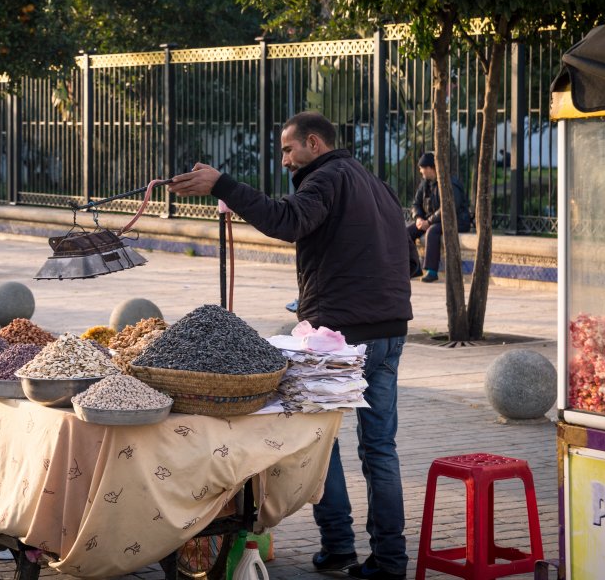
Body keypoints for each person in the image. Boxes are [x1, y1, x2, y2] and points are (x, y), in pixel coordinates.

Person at [169, 111, 413, 580]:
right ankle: (389, 561)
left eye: (288, 149)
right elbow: (410, 258)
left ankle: (340, 545)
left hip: (342, 337)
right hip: (389, 332)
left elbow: (288, 221)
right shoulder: (375, 184)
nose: (284, 160)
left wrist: (224, 185)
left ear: (314, 143)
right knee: (379, 450)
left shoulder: (324, 178)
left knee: (326, 442)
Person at [406, 152, 471, 283]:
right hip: (432, 220)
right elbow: (416, 204)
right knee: (407, 232)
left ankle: (432, 271)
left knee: (432, 231)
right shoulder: (425, 183)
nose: (420, 171)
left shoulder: (450, 183)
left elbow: (448, 208)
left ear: (430, 168)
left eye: (422, 168)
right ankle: (413, 267)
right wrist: (418, 217)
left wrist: (428, 222)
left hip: (456, 220)